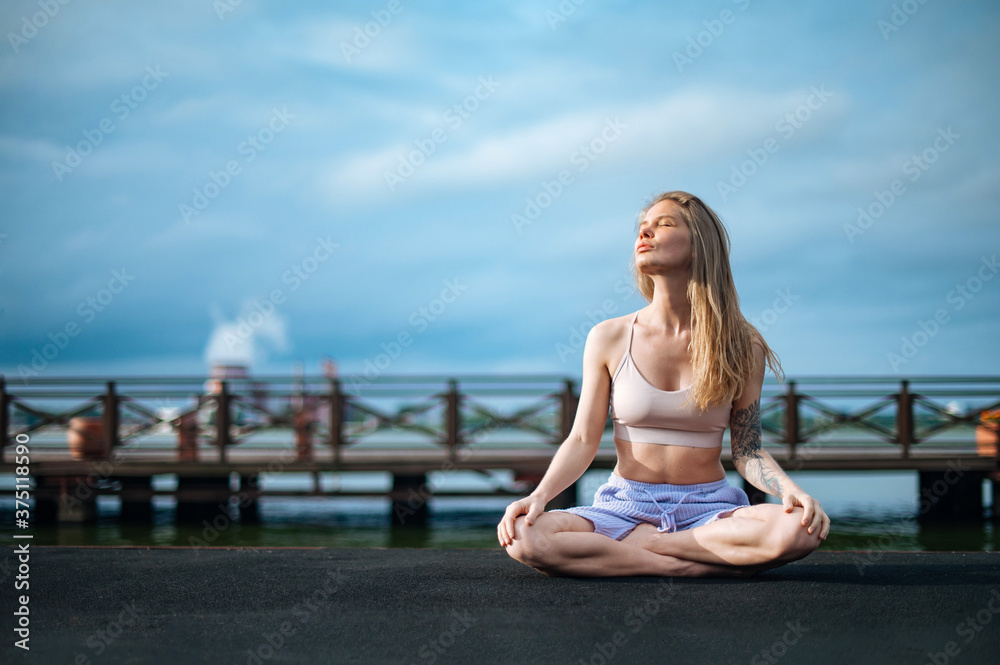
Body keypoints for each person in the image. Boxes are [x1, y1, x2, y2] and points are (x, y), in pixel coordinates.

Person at [498, 190, 830, 578]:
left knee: (800, 530)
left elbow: (748, 450)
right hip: (622, 507)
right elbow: (583, 440)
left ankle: (649, 548)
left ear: (699, 244)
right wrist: (538, 497)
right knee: (524, 534)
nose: (646, 233)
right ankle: (693, 566)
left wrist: (791, 490)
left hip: (710, 509)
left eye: (664, 224)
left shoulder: (742, 344)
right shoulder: (609, 337)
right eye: (643, 227)